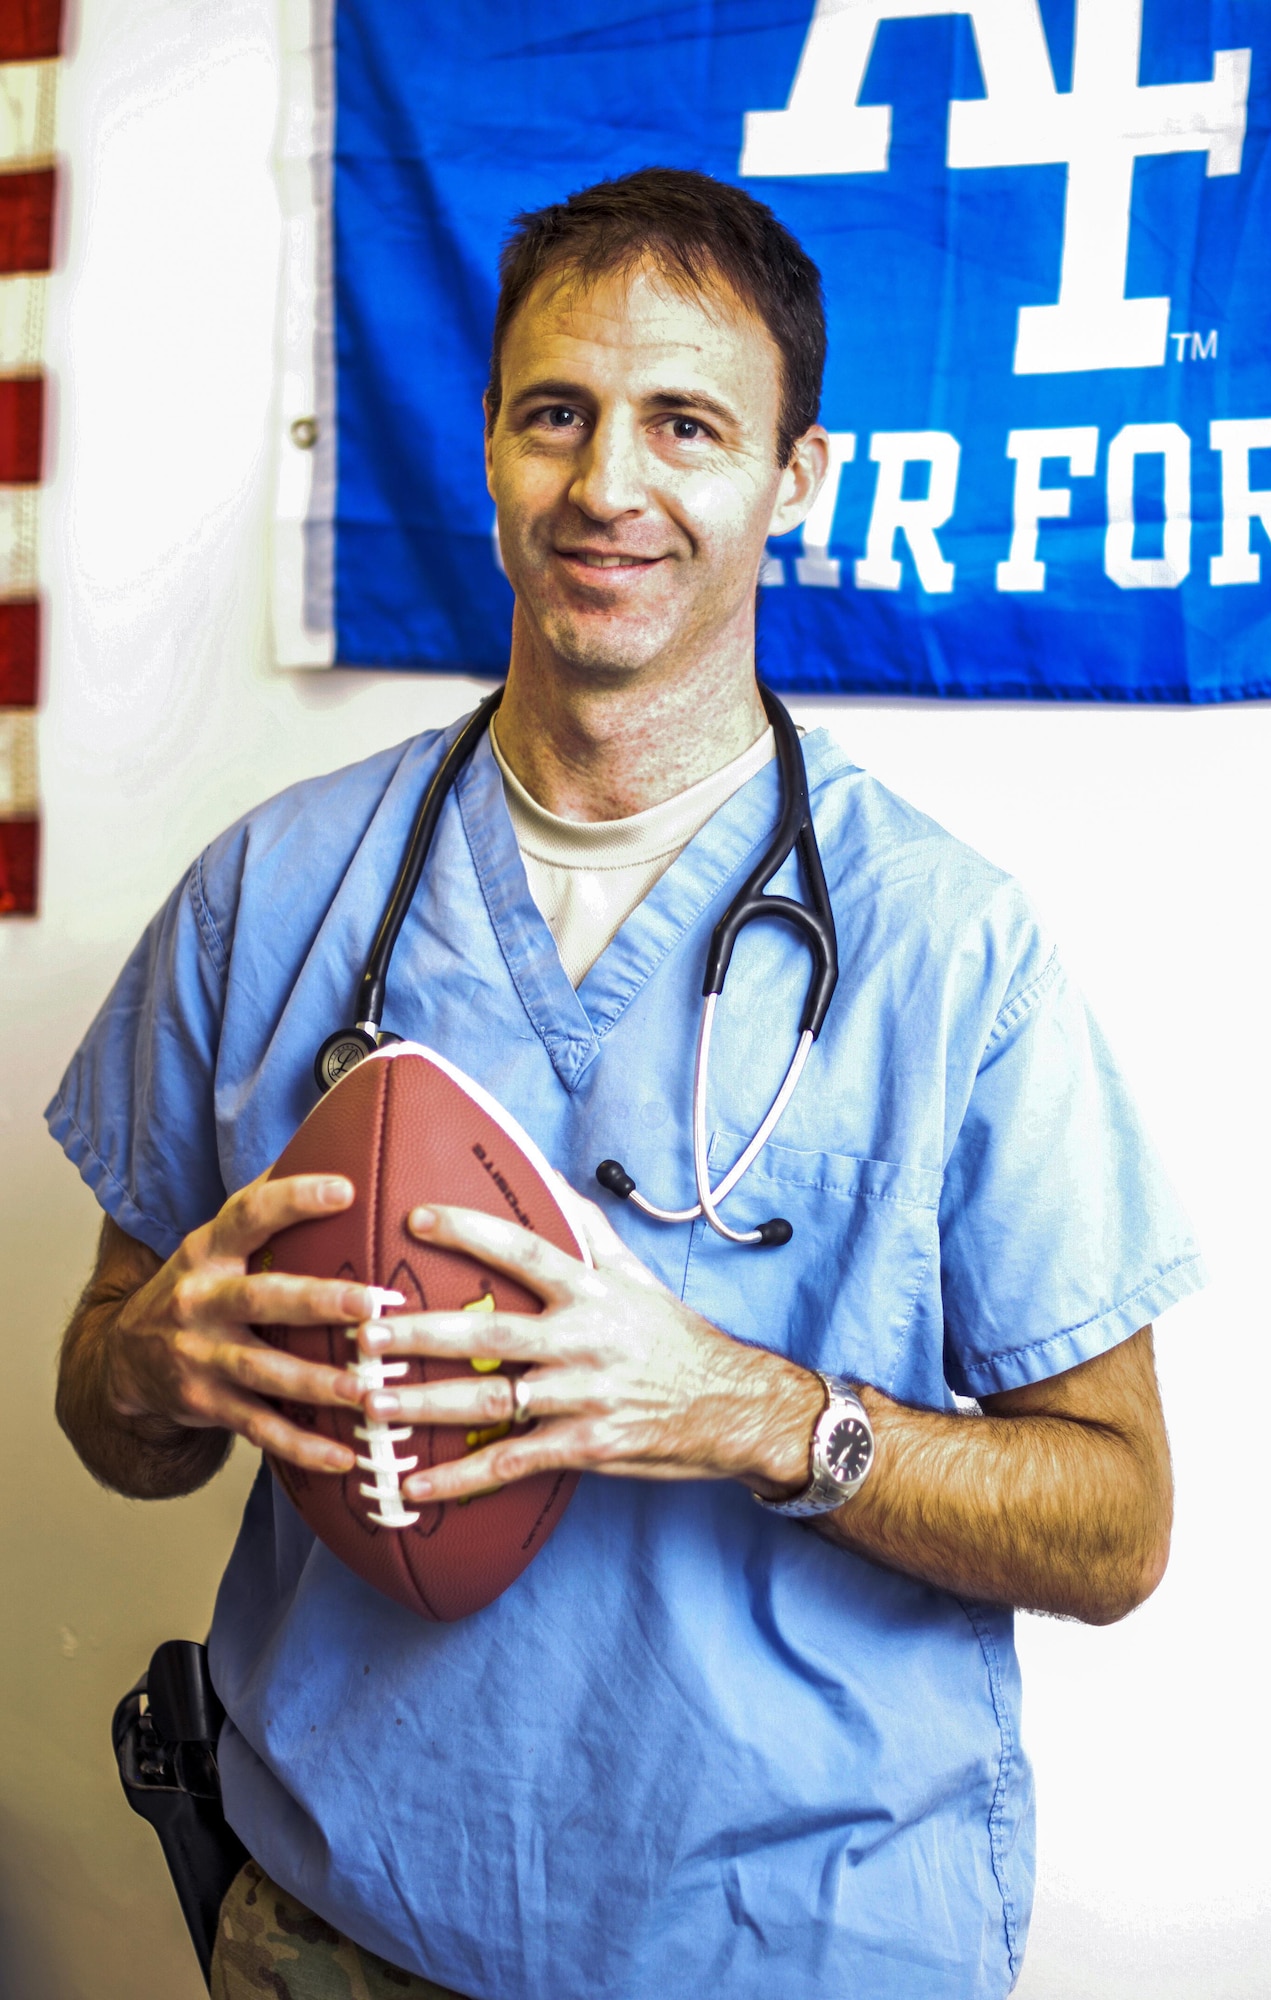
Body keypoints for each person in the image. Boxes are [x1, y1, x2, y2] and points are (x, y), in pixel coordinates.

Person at [49, 168, 1204, 2000]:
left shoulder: (949, 953)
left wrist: (748, 1412)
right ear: (491, 447)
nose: (608, 487)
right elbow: (108, 1420)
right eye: (556, 416)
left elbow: (1116, 1522)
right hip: (334, 1926)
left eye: (688, 425)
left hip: (795, 1947)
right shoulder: (270, 897)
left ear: (791, 482)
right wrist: (149, 1364)